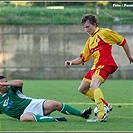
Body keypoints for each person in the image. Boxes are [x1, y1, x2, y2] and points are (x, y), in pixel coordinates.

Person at [65, 14, 133, 122]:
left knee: (93, 84)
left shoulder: (104, 33)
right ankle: (105, 105)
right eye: (84, 27)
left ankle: (101, 115)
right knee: (82, 88)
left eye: (88, 27)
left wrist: (129, 56)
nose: (86, 30)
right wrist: (71, 62)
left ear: (94, 24)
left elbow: (122, 41)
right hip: (95, 67)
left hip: (105, 64)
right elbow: (82, 58)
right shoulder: (89, 41)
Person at [0, 75, 92, 122]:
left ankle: (82, 114)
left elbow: (20, 82)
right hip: (26, 114)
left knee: (55, 104)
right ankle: (56, 119)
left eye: (6, 82)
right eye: (2, 83)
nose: (6, 84)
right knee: (23, 118)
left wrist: (5, 83)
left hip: (32, 104)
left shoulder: (12, 90)